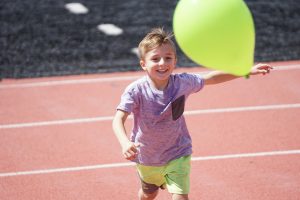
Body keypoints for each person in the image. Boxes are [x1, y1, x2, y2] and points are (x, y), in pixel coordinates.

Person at [112, 27, 272, 200]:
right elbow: (118, 119)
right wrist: (125, 142)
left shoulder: (182, 83)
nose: (162, 63)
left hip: (177, 153)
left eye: (168, 58)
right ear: (143, 64)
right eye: (155, 59)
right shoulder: (135, 91)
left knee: (180, 196)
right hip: (147, 157)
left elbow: (211, 78)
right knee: (148, 194)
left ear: (175, 61)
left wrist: (245, 70)